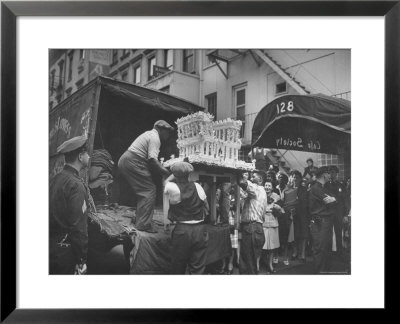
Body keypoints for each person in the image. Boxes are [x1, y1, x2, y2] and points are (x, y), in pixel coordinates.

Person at [118, 120, 174, 233]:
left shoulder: (149, 134)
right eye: (167, 132)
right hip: (133, 161)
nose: (168, 135)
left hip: (127, 160)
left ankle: (140, 220)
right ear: (160, 129)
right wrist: (167, 173)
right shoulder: (155, 138)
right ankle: (143, 224)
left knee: (144, 191)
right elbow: (152, 160)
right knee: (149, 190)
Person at [49, 135, 91, 275]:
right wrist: (81, 259)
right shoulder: (76, 185)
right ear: (80, 156)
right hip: (66, 253)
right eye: (87, 153)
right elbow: (78, 228)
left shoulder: (56, 178)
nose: (89, 156)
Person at [164, 161, 209, 274]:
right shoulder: (198, 186)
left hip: (183, 231)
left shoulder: (172, 187)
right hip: (200, 229)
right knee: (198, 267)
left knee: (178, 266)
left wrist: (175, 174)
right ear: (189, 174)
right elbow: (206, 206)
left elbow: (166, 182)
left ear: (175, 174)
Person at [237, 170, 267, 274]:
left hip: (252, 228)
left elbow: (243, 183)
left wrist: (237, 173)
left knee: (249, 263)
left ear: (260, 179)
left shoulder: (257, 189)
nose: (251, 178)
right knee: (250, 262)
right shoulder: (261, 192)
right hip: (256, 228)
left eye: (253, 176)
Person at [308, 166, 337, 274]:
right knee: (320, 249)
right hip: (319, 223)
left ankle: (323, 271)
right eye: (329, 173)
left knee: (326, 248)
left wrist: (333, 199)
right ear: (324, 174)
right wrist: (333, 200)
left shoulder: (325, 188)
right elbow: (331, 202)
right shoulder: (316, 188)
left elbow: (335, 199)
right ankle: (319, 273)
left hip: (325, 222)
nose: (331, 176)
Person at [325, 165, 348, 255]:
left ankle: (339, 252)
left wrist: (345, 214)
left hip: (339, 213)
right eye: (330, 172)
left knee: (339, 233)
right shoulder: (325, 185)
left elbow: (345, 200)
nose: (331, 174)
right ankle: (329, 253)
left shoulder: (341, 186)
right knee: (328, 233)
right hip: (328, 213)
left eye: (333, 172)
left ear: (336, 174)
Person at [262, 180, 284, 273]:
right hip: (263, 222)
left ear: (272, 187)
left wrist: (276, 208)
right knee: (262, 244)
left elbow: (280, 211)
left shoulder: (276, 196)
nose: (267, 187)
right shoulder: (261, 194)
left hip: (273, 222)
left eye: (269, 185)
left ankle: (270, 264)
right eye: (266, 185)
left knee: (271, 246)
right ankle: (259, 263)